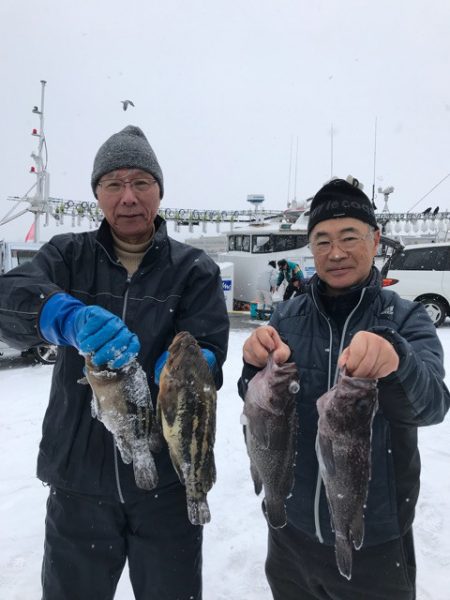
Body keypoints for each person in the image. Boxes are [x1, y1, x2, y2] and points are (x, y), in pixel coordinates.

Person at [0, 125, 229, 600]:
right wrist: (61, 315)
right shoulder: (68, 254)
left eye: (141, 182)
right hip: (78, 482)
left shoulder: (194, 269)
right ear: (97, 194)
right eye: (114, 183)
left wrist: (196, 363)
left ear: (160, 192)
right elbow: (9, 299)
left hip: (166, 485)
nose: (128, 197)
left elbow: (210, 342)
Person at [238, 177, 450, 600]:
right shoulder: (287, 315)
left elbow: (431, 407)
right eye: (322, 241)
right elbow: (258, 406)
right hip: (290, 533)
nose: (335, 253)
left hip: (374, 538)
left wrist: (396, 361)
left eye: (349, 237)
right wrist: (251, 366)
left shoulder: (406, 319)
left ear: (375, 241)